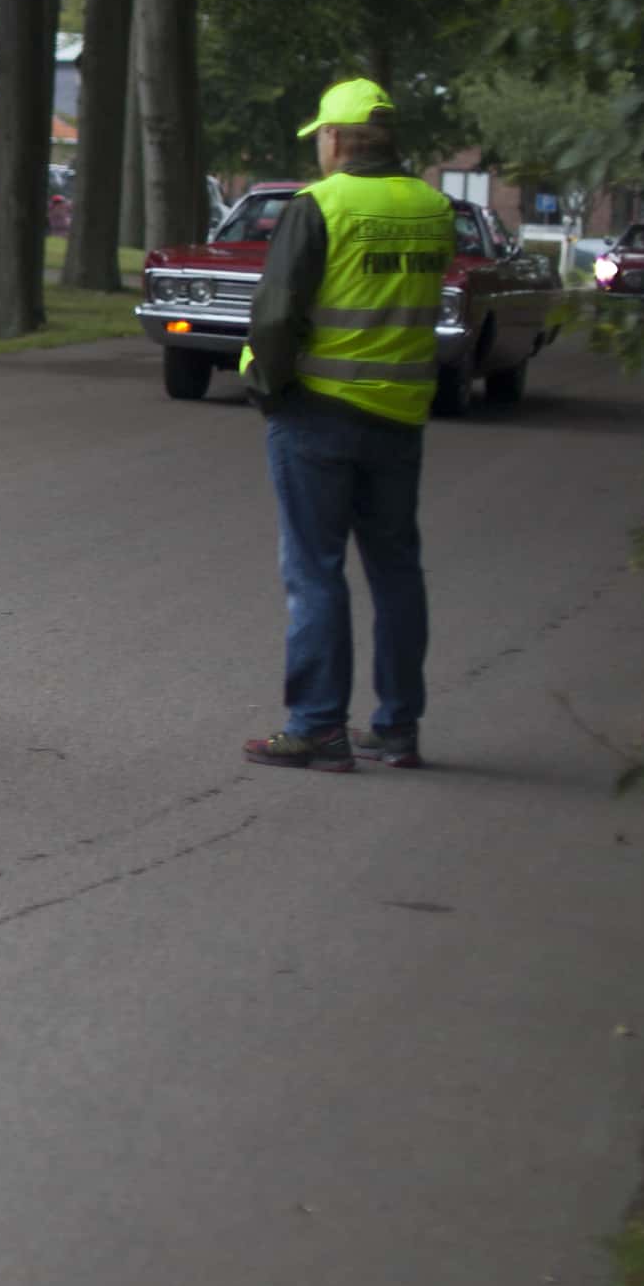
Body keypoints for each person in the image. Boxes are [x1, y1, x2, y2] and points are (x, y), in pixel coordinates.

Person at [239, 77, 454, 772]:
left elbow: (276, 315)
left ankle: (319, 727)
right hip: (399, 416)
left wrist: (267, 388)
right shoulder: (433, 208)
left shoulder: (320, 205)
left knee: (314, 571)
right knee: (396, 571)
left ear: (334, 139)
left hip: (319, 413)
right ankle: (397, 726)